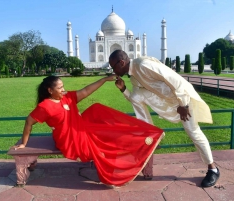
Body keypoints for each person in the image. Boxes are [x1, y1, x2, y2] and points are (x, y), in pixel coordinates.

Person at [14, 75, 165, 187]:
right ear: (50, 90)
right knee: (104, 140)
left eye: (63, 86)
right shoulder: (45, 106)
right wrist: (23, 143)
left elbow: (86, 91)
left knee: (97, 110)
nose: (63, 89)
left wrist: (104, 79)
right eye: (60, 88)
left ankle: (146, 134)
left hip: (81, 128)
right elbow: (29, 122)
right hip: (69, 139)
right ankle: (118, 164)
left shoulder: (67, 98)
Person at [108, 50, 220, 188]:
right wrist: (123, 88)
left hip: (182, 99)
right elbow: (135, 99)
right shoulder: (134, 77)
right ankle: (152, 135)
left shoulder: (144, 65)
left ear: (122, 63)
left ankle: (213, 169)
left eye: (113, 66)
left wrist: (183, 104)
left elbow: (175, 80)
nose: (112, 70)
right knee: (137, 96)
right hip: (167, 102)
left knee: (193, 132)